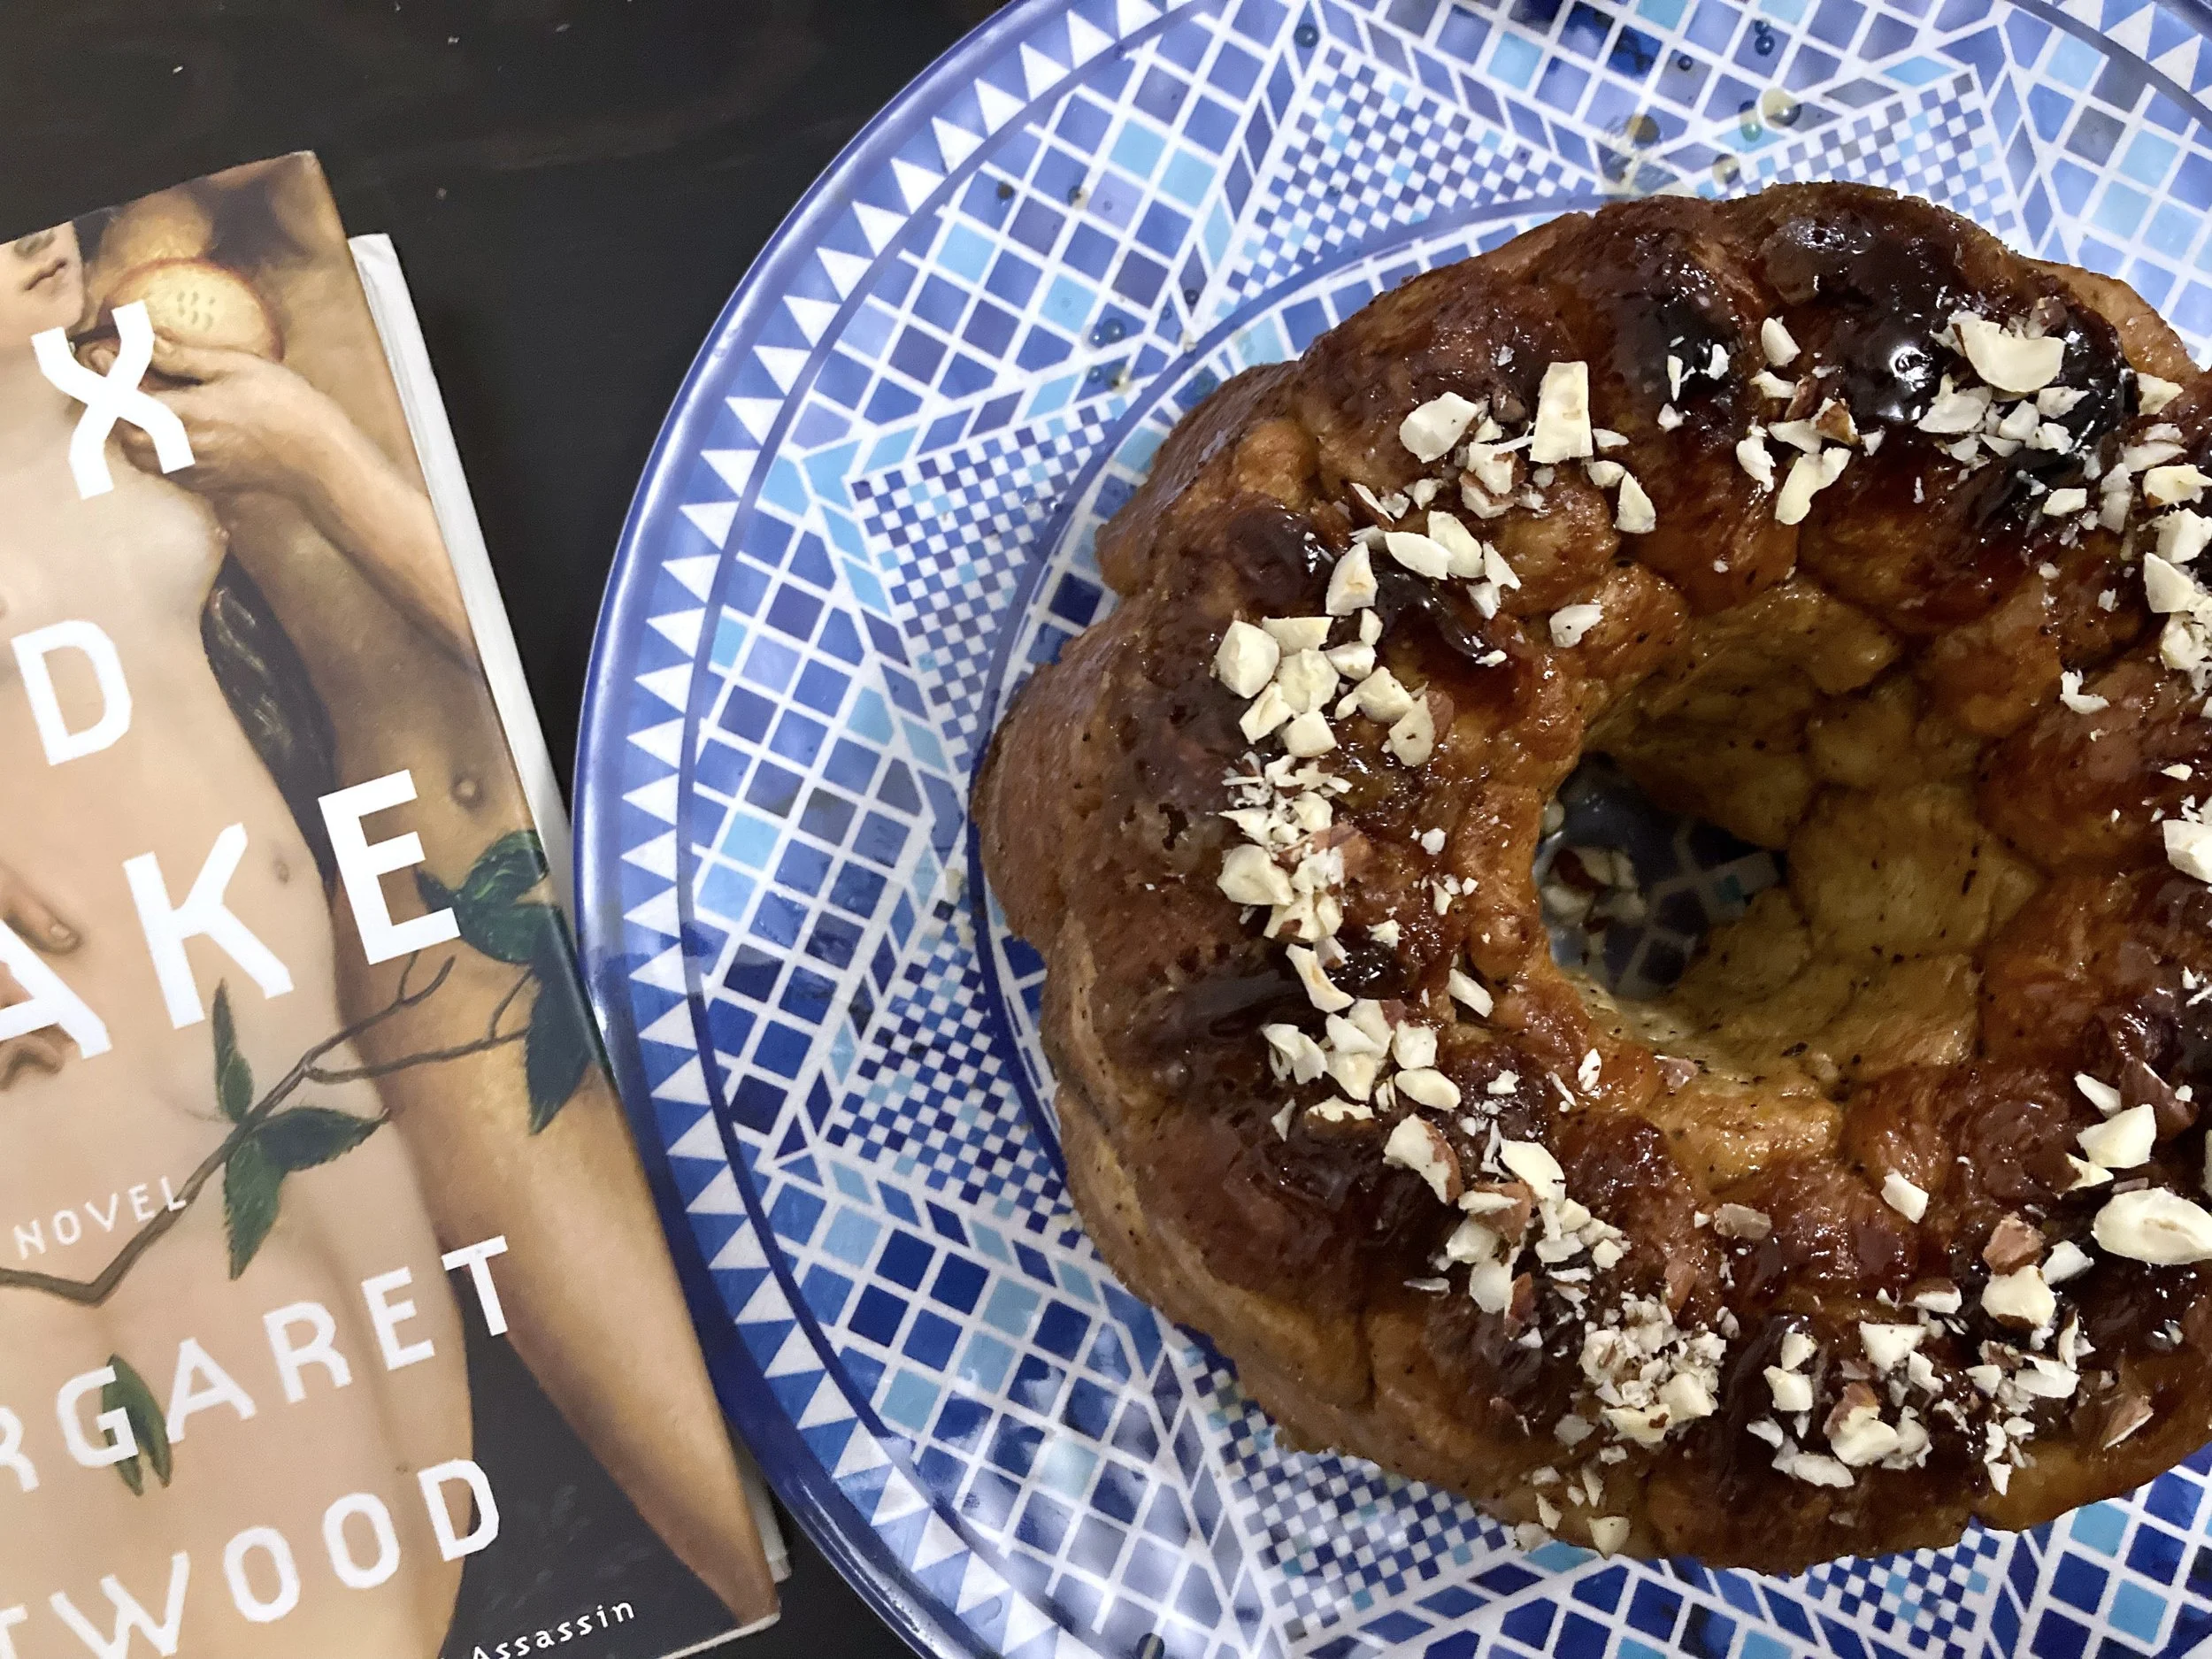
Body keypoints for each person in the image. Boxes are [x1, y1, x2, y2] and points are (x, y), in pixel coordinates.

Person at [88, 166, 777, 1626]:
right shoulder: (125, 275)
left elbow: (605, 665)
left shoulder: (447, 220)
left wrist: (314, 457)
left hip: (647, 859)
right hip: (441, 972)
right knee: (723, 1522)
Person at [0, 224, 471, 1656]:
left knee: (407, 1554)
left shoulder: (153, 393)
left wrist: (320, 455)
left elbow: (491, 661)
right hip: (68, 1116)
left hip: (294, 1070)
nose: (33, 227)